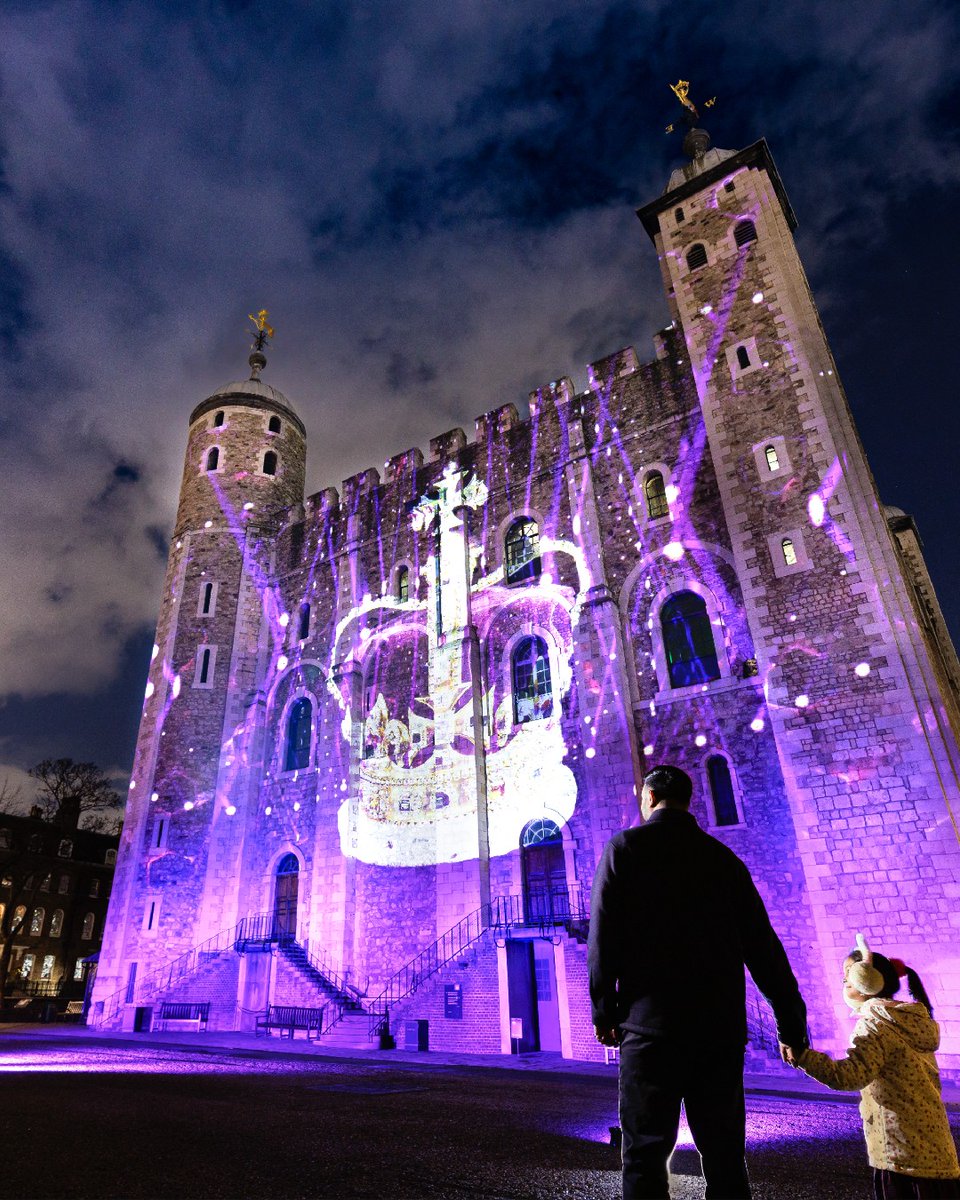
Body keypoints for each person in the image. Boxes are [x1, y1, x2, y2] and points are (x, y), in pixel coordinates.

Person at [588, 764, 807, 1199]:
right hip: (718, 1033)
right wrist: (791, 1023)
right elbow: (763, 948)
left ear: (648, 798)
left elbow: (602, 939)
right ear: (689, 801)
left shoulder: (624, 849)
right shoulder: (724, 860)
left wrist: (604, 1011)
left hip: (649, 1030)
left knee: (645, 1157)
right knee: (726, 1158)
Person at [784, 935, 960, 1199]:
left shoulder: (875, 1024)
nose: (843, 982)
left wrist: (804, 1057)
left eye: (846, 977)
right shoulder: (909, 1018)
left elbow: (849, 1075)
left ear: (864, 981)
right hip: (935, 1151)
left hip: (901, 1154)